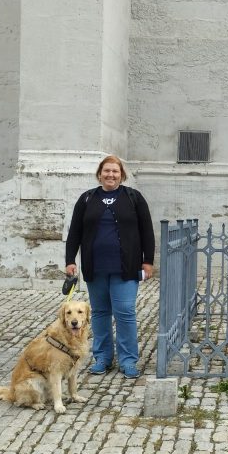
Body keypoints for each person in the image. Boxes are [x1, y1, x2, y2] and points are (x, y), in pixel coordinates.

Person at [65, 155, 155, 379]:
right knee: (100, 313)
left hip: (126, 268)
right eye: (107, 171)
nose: (110, 175)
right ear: (100, 174)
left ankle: (128, 360)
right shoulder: (86, 199)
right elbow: (74, 232)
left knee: (125, 312)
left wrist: (148, 261)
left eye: (115, 171)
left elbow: (147, 232)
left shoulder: (134, 198)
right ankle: (102, 357)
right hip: (95, 268)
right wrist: (70, 261)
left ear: (121, 175)